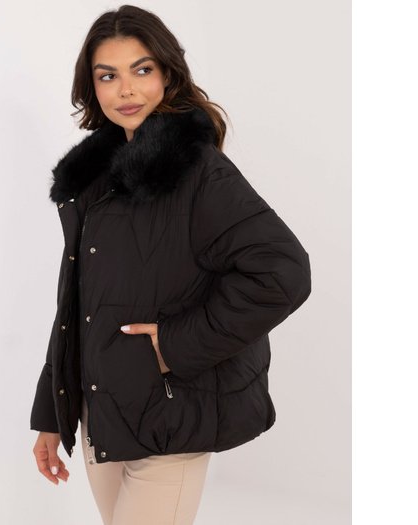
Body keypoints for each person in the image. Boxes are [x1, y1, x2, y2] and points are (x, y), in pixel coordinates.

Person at [30, 4, 312, 524]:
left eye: (141, 70)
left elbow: (284, 272)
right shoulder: (93, 181)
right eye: (107, 76)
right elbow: (76, 302)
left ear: (167, 73)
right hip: (99, 413)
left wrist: (174, 345)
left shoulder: (198, 170)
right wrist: (53, 410)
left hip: (170, 417)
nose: (126, 90)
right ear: (91, 87)